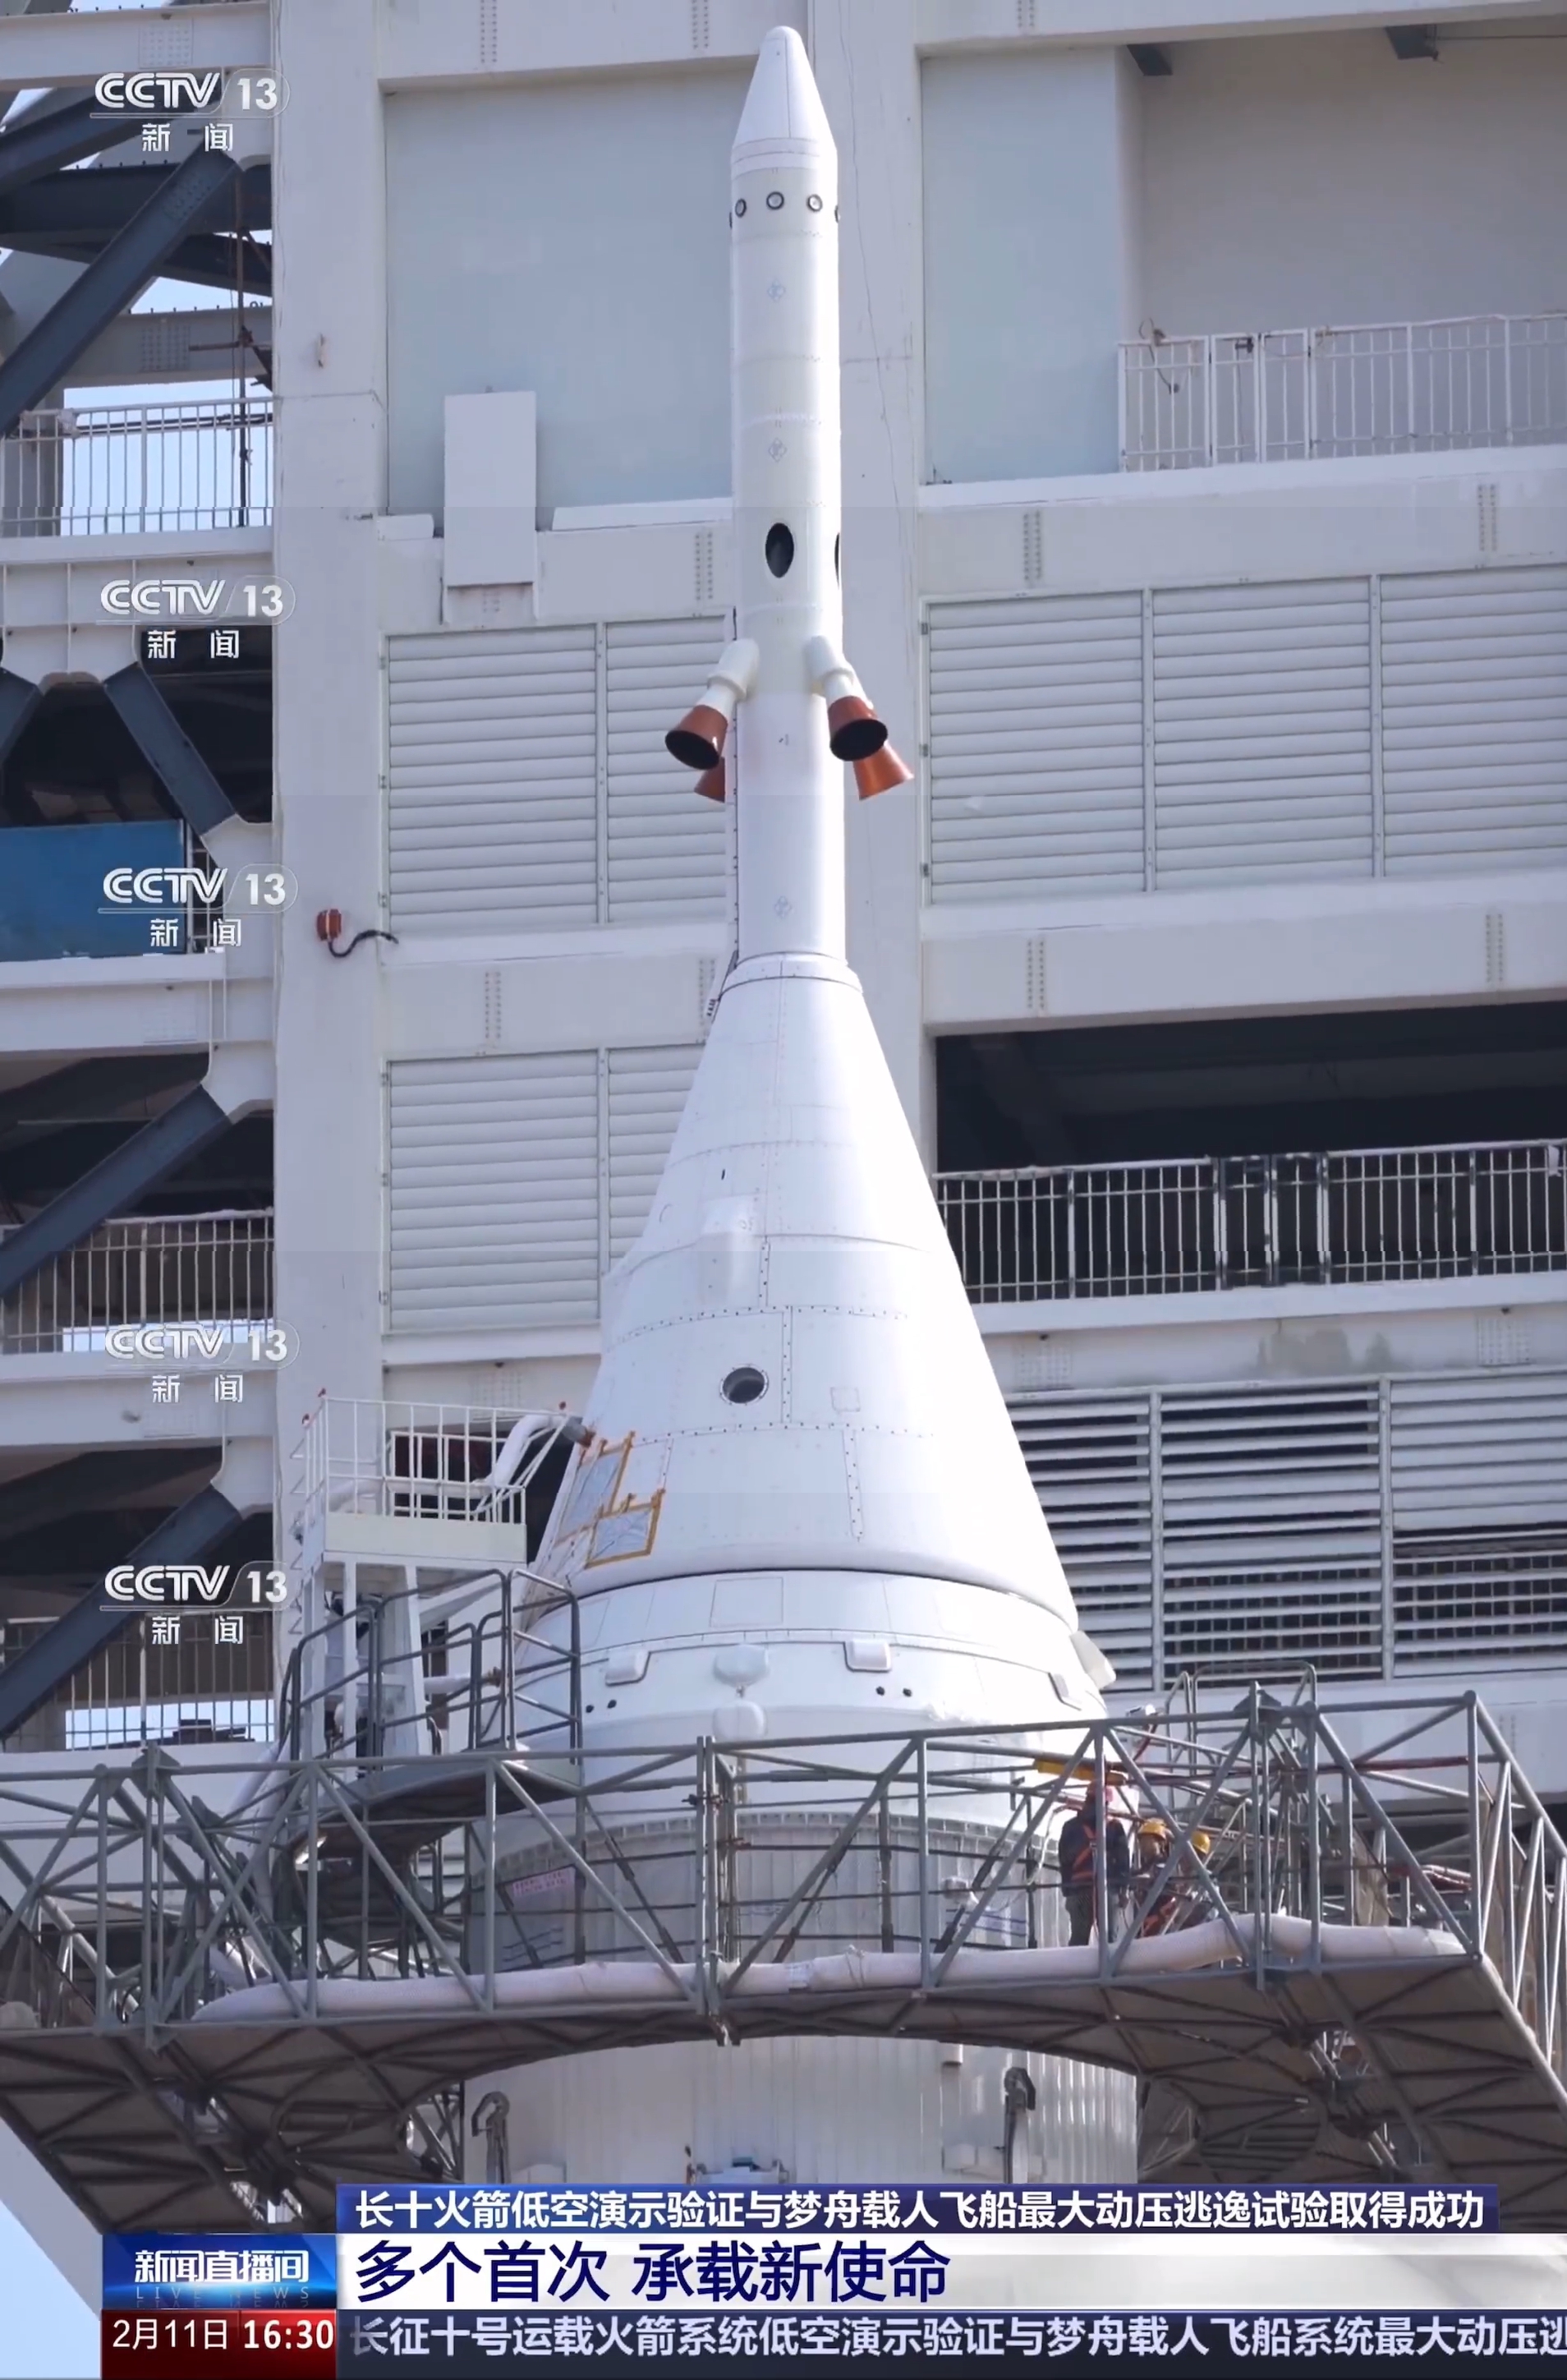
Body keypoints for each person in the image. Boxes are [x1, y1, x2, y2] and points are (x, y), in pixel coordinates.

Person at [1059, 1785, 1130, 1945]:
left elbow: (1064, 1861)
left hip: (1084, 1888)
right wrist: (1123, 1890)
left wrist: (1067, 1889)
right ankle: (1108, 1962)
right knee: (1108, 1940)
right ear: (1106, 1804)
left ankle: (1080, 1963)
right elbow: (1123, 1862)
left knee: (1080, 1939)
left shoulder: (1071, 1827)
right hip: (1102, 1888)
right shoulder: (1114, 1827)